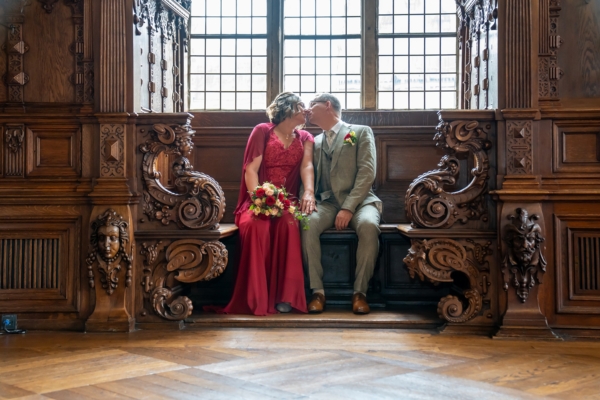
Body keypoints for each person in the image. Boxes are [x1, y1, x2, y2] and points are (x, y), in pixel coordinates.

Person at [219, 92, 317, 315]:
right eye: (302, 106)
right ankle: (257, 298)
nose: (307, 110)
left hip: (286, 200)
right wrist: (260, 200)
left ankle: (286, 298)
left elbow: (307, 167)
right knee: (257, 226)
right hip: (257, 198)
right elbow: (251, 170)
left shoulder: (305, 137)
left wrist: (309, 192)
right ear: (288, 109)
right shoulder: (262, 131)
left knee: (290, 224)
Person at [302, 93, 382, 315]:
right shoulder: (313, 142)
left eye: (312, 105)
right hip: (326, 202)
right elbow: (306, 174)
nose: (307, 110)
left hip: (360, 201)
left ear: (328, 106)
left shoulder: (359, 132)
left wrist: (348, 207)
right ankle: (317, 291)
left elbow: (367, 173)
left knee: (368, 225)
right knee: (307, 223)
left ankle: (360, 293)